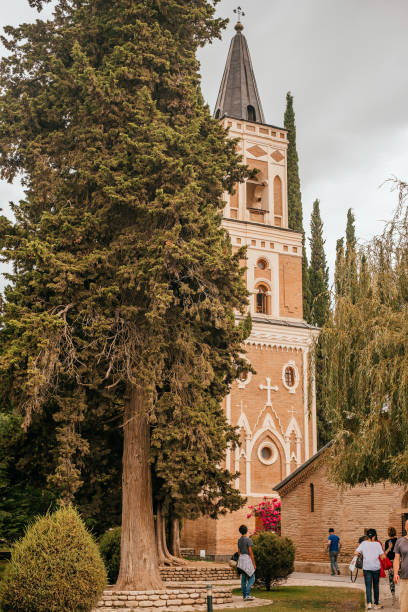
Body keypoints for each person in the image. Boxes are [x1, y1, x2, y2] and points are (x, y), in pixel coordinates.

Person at [355, 528, 386, 610]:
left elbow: (356, 552)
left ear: (367, 536)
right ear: (374, 536)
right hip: (376, 568)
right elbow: (383, 557)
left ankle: (369, 604)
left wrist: (363, 553)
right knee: (376, 586)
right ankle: (376, 603)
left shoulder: (363, 543)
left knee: (368, 586)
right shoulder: (377, 544)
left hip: (367, 568)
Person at [237, 524, 256, 602]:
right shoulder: (248, 540)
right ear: (246, 531)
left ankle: (244, 596)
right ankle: (247, 595)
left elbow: (238, 552)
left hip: (241, 559)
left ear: (240, 532)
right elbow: (251, 553)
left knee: (243, 579)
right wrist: (254, 564)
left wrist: (241, 558)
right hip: (247, 559)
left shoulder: (239, 540)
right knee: (252, 577)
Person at [394, 519, 408, 611]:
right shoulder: (400, 541)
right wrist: (395, 573)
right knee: (404, 606)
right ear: (406, 527)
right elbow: (396, 559)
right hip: (405, 577)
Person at [384, 526, 398, 605]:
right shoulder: (399, 540)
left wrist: (389, 548)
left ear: (388, 533)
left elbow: (385, 554)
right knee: (403, 578)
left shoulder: (387, 542)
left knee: (391, 580)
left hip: (391, 563)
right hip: (399, 562)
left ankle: (393, 597)